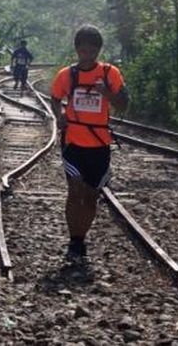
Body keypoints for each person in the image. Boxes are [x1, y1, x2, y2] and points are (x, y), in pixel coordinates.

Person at [50, 24, 129, 261]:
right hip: (74, 142)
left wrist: (106, 93)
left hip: (99, 145)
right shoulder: (67, 75)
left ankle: (81, 238)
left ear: (98, 50)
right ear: (77, 49)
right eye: (83, 48)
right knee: (75, 191)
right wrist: (59, 115)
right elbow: (55, 97)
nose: (87, 53)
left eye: (91, 48)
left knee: (91, 195)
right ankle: (74, 243)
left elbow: (124, 104)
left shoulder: (110, 73)